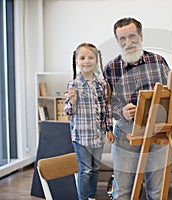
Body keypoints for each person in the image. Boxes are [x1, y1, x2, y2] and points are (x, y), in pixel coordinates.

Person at [104, 17, 170, 200]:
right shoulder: (110, 68)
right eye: (122, 39)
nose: (128, 43)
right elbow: (107, 104)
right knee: (122, 191)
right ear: (118, 42)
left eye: (132, 36)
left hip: (157, 132)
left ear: (141, 35)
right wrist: (121, 111)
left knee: (156, 192)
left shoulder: (159, 61)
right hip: (125, 132)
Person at [64, 43, 114, 200]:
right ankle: (83, 198)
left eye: (91, 57)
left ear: (97, 60)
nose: (87, 61)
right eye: (82, 57)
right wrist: (72, 101)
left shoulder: (101, 84)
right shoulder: (74, 84)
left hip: (98, 136)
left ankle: (91, 197)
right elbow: (68, 111)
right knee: (85, 170)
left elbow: (106, 109)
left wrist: (109, 129)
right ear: (76, 61)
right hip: (81, 136)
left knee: (95, 168)